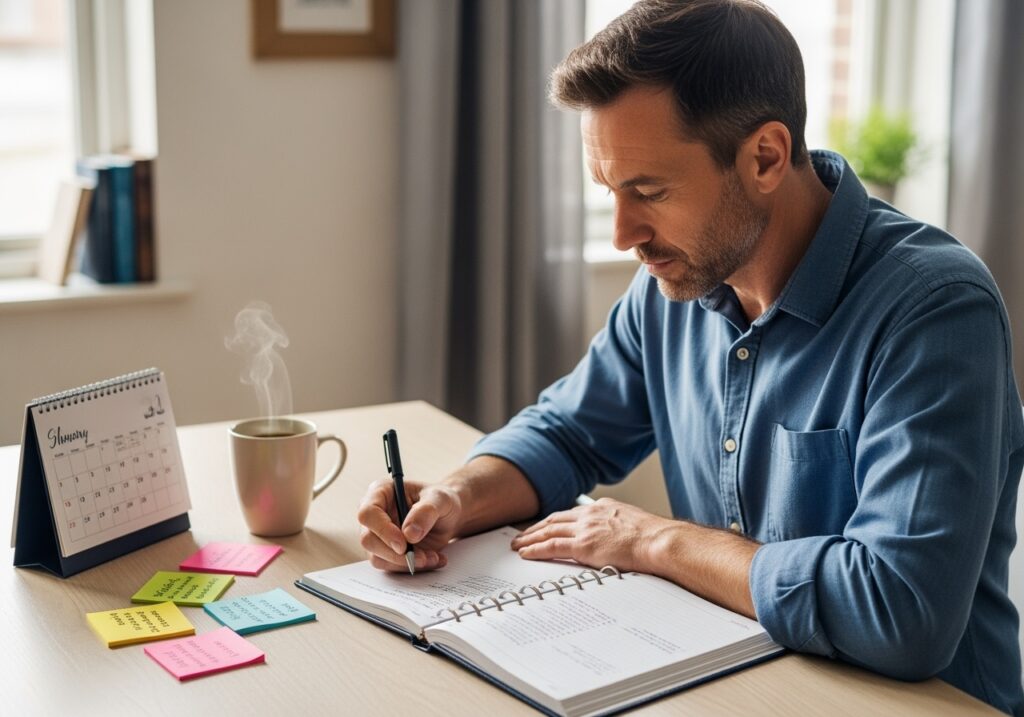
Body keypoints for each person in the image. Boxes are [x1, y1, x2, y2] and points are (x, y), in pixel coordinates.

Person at [357, 1, 1024, 714]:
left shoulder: (934, 308)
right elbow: (567, 433)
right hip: (750, 683)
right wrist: (455, 498)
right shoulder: (669, 290)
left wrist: (655, 540)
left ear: (765, 156)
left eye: (648, 191)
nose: (622, 234)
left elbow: (901, 610)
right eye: (609, 192)